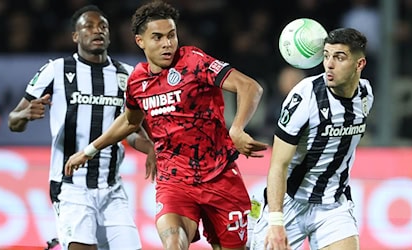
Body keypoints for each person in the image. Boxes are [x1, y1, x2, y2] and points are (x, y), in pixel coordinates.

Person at [64, 1, 268, 249]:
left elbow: (249, 87)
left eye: (171, 36)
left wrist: (236, 128)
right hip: (175, 181)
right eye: (157, 37)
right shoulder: (137, 81)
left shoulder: (194, 61)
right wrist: (89, 151)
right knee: (173, 242)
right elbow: (130, 121)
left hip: (220, 176)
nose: (167, 44)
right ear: (140, 41)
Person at [8, 5, 155, 250]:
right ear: (75, 36)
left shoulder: (127, 76)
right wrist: (25, 114)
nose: (97, 31)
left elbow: (131, 131)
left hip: (112, 188)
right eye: (88, 26)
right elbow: (13, 121)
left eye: (103, 27)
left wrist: (150, 147)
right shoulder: (55, 70)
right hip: (70, 186)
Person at [249, 28, 374, 250]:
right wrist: (276, 221)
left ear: (359, 64)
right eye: (326, 56)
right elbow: (278, 164)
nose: (329, 64)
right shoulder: (304, 96)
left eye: (339, 57)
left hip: (332, 206)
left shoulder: (365, 95)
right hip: (289, 202)